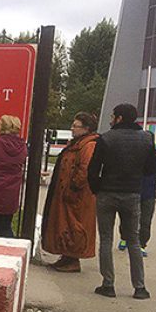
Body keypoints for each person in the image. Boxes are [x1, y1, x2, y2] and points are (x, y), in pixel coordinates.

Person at [88, 103, 156, 300]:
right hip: (132, 194)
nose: (111, 119)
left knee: (106, 239)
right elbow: (150, 169)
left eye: (112, 116)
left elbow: (93, 170)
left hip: (107, 193)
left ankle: (108, 284)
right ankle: (139, 287)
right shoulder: (146, 138)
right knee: (133, 240)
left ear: (119, 118)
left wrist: (97, 188)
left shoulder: (106, 138)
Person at [40, 112, 99, 273]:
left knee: (74, 227)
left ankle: (72, 259)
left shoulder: (88, 145)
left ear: (86, 128)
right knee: (64, 225)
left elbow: (84, 169)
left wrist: (73, 187)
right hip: (67, 193)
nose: (72, 128)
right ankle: (66, 256)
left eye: (76, 126)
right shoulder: (77, 144)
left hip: (76, 196)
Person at [118, 148, 156, 256]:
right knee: (127, 217)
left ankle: (141, 244)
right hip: (131, 192)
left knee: (145, 221)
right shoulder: (133, 155)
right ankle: (124, 237)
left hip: (147, 195)